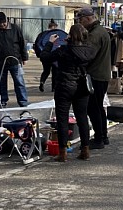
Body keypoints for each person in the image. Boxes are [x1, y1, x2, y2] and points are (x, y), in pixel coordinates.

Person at [40, 23, 95, 162]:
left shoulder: (63, 50)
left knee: (62, 118)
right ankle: (85, 150)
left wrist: (50, 43)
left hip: (65, 84)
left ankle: (62, 152)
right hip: (82, 85)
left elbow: (45, 57)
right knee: (82, 117)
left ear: (71, 35)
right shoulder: (90, 50)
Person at [78, 7, 112, 149]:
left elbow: (87, 55)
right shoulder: (101, 30)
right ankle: (103, 136)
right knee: (99, 107)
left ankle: (99, 138)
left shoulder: (94, 34)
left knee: (93, 108)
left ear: (88, 18)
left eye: (80, 20)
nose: (80, 23)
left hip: (95, 75)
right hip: (102, 74)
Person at [0, 11, 29, 107]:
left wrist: (24, 57)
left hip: (14, 60)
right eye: (0, 24)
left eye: (4, 23)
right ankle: (2, 101)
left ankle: (23, 102)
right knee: (0, 84)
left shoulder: (15, 28)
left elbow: (21, 43)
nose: (2, 25)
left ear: (7, 20)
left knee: (19, 82)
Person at [36, 19, 59, 92]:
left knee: (46, 71)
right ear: (55, 27)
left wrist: (39, 55)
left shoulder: (42, 34)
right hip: (54, 55)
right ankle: (54, 87)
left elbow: (37, 44)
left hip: (44, 56)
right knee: (55, 71)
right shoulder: (57, 34)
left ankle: (42, 82)